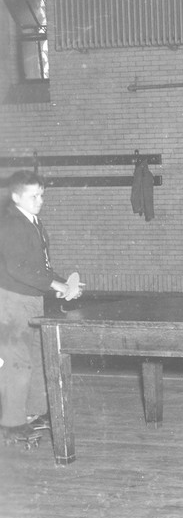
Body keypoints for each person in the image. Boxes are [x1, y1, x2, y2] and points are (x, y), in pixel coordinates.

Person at [0, 170, 82, 445]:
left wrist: (62, 283)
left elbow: (41, 268)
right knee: (18, 363)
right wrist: (55, 286)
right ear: (15, 197)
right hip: (11, 303)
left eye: (42, 195)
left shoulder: (35, 222)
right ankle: (11, 424)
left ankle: (33, 413)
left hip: (32, 300)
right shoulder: (11, 224)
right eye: (33, 195)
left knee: (37, 359)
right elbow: (18, 268)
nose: (40, 200)